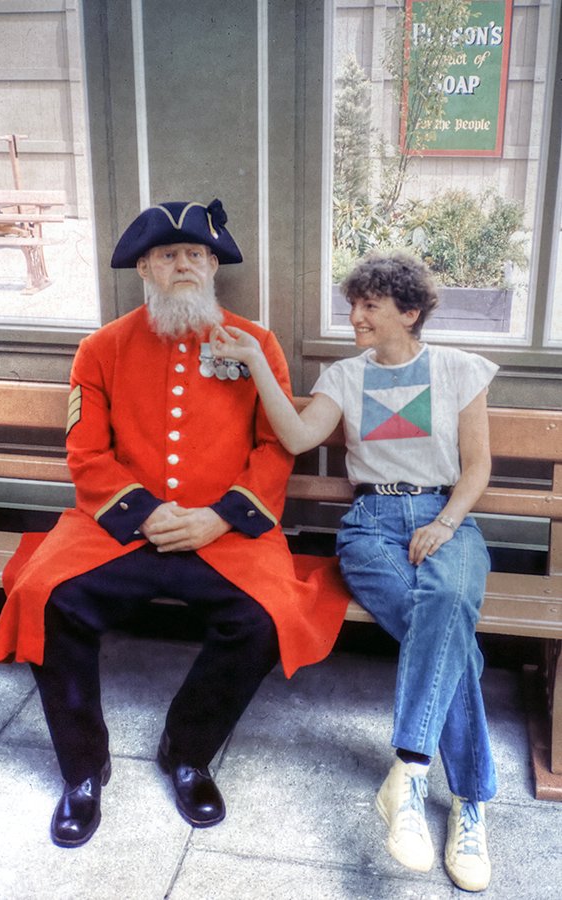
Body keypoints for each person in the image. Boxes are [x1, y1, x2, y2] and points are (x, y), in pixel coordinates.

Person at [0, 199, 349, 848]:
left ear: (213, 266)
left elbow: (276, 448)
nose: (184, 264)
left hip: (224, 529)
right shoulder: (101, 349)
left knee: (264, 619)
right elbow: (85, 453)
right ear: (144, 269)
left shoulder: (255, 344)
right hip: (119, 526)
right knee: (47, 597)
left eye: (196, 255)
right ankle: (82, 770)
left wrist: (221, 517)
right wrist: (145, 512)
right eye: (168, 255)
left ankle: (188, 752)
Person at [210, 250, 498, 893]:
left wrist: (446, 523)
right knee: (451, 635)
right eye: (354, 305)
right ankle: (470, 801)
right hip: (370, 527)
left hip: (445, 519)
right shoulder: (344, 376)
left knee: (446, 607)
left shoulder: (459, 369)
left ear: (410, 313)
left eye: (371, 306)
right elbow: (296, 437)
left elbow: (477, 466)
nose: (356, 317)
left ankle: (411, 773)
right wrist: (256, 363)